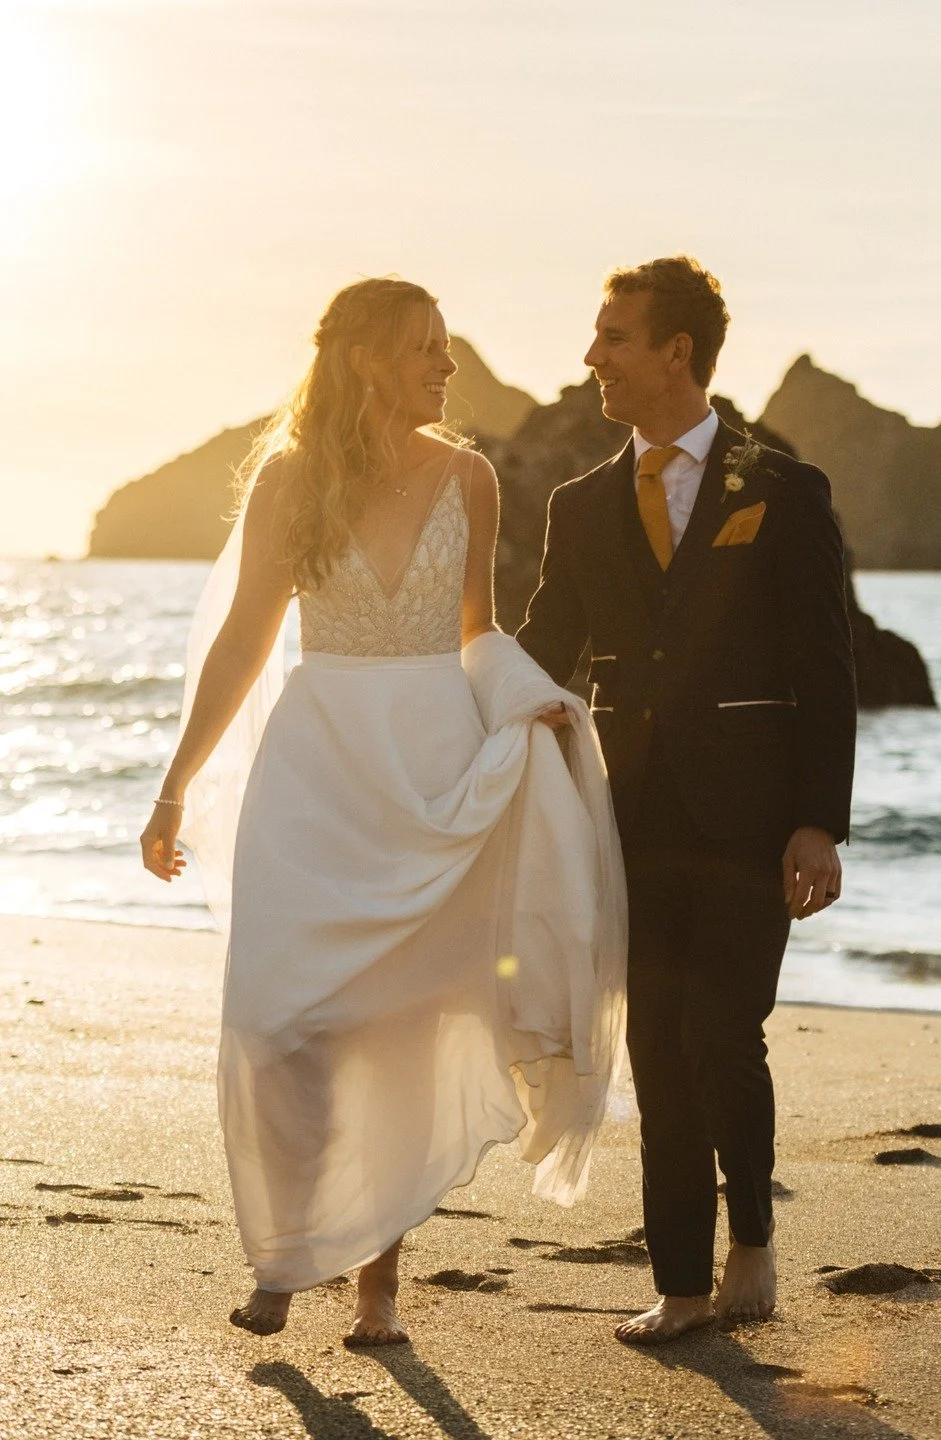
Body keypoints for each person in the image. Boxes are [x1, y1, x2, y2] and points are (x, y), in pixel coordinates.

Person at [140, 277, 625, 1346]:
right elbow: (244, 643)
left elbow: (476, 630)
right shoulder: (289, 479)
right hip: (316, 775)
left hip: (431, 772)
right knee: (280, 1021)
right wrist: (176, 784)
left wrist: (528, 701)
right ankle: (284, 1250)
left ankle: (376, 1287)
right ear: (365, 357)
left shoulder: (472, 476)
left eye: (445, 349)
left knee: (404, 1033)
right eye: (424, 349)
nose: (445, 367)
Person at [516, 256, 857, 1343]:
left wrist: (820, 821)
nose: (592, 357)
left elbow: (829, 668)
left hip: (755, 820)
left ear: (677, 353)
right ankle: (680, 1284)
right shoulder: (579, 507)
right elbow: (545, 653)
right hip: (632, 823)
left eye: (613, 336)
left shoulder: (783, 490)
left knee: (724, 1029)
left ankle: (751, 1241)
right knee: (659, 1049)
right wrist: (436, 702)